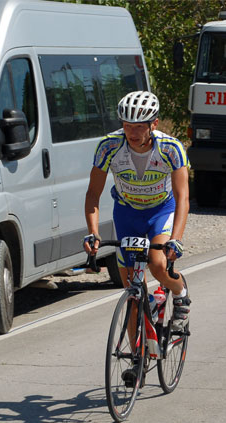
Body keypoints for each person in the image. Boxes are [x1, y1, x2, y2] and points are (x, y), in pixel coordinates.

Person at [84, 90, 191, 341]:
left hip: (161, 211)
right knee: (132, 291)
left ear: (154, 124)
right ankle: (135, 364)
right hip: (127, 212)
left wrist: (176, 238)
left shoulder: (171, 148)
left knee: (157, 263)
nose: (132, 133)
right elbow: (92, 194)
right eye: (127, 126)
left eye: (139, 127)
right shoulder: (109, 146)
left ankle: (179, 292)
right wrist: (93, 232)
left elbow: (182, 197)